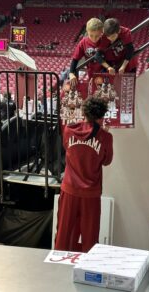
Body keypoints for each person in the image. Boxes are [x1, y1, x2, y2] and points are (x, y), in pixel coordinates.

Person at [55, 96, 113, 252]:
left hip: (69, 190)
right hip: (91, 193)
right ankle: (86, 272)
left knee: (64, 233)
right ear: (102, 115)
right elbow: (107, 161)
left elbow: (68, 150)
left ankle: (58, 268)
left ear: (84, 112)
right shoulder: (106, 137)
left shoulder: (68, 130)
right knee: (90, 237)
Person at [69, 18, 114, 88]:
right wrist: (71, 73)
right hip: (92, 74)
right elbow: (75, 59)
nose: (94, 39)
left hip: (107, 73)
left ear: (101, 32)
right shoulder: (83, 42)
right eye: (91, 35)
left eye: (97, 36)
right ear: (87, 31)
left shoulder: (106, 39)